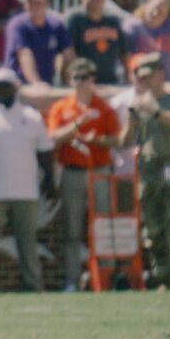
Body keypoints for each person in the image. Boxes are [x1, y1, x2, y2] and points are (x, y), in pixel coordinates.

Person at [0, 67, 55, 294]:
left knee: (28, 243)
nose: (2, 90)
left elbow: (45, 151)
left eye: (6, 86)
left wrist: (49, 179)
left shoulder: (31, 116)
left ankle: (34, 286)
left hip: (26, 191)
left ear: (15, 88)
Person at [45, 60, 122, 291]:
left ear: (93, 79)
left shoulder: (104, 107)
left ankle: (106, 278)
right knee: (72, 229)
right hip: (72, 171)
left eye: (85, 77)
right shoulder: (61, 107)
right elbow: (52, 139)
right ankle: (72, 280)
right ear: (69, 81)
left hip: (100, 170)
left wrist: (96, 140)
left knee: (103, 226)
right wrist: (77, 125)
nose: (80, 82)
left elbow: (117, 140)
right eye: (76, 77)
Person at [2, 0, 72, 86]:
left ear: (48, 3)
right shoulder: (17, 24)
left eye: (38, 2)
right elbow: (24, 54)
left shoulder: (55, 25)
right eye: (30, 1)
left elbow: (69, 54)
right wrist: (36, 83)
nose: (33, 5)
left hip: (46, 85)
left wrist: (74, 81)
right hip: (16, 87)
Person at [65, 0, 128, 84]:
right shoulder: (75, 19)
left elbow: (125, 53)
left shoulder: (113, 21)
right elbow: (68, 53)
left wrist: (129, 77)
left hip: (110, 82)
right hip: (83, 82)